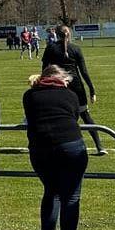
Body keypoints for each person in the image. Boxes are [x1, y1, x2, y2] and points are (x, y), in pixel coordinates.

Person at [21, 65, 88, 230]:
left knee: (51, 192)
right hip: (70, 145)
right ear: (59, 79)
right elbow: (74, 116)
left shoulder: (29, 96)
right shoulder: (70, 96)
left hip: (40, 149)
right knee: (71, 196)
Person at [42, 26, 106, 155]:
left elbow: (45, 69)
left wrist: (42, 86)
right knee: (85, 116)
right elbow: (84, 72)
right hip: (76, 86)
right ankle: (100, 146)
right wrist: (92, 90)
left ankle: (58, 145)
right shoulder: (76, 48)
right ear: (69, 34)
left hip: (59, 85)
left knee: (59, 117)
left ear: (57, 35)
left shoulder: (51, 48)